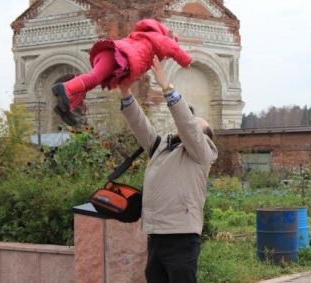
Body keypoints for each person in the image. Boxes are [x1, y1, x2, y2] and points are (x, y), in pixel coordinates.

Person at [118, 55, 218, 283]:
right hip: (156, 236)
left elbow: (186, 124)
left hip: (181, 238)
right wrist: (126, 93)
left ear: (202, 137)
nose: (189, 123)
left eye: (196, 124)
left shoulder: (202, 153)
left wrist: (166, 86)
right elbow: (140, 126)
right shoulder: (162, 146)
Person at [52, 19, 192, 126]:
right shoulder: (159, 38)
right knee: (93, 78)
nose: (167, 57)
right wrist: (185, 61)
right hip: (114, 55)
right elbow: (172, 48)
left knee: (91, 83)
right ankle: (65, 87)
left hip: (113, 56)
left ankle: (66, 106)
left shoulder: (145, 43)